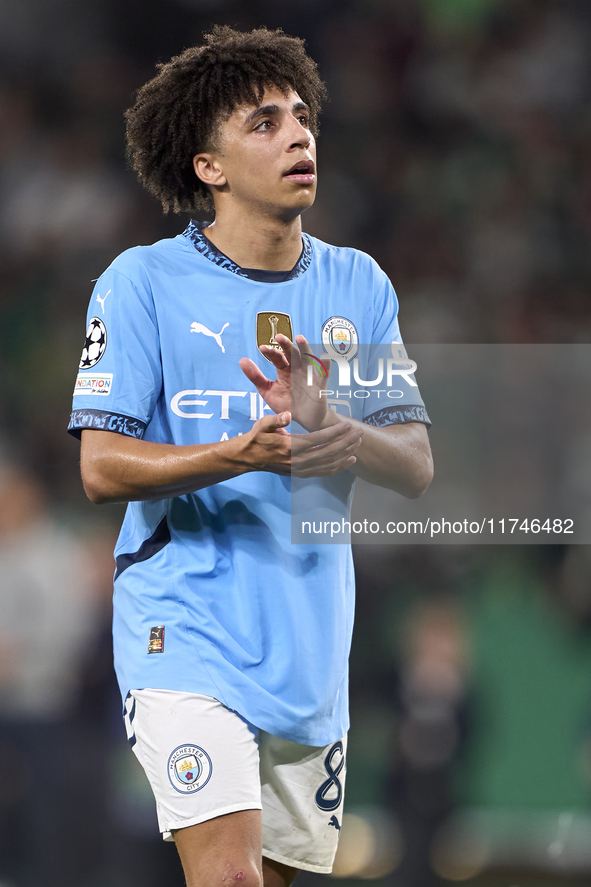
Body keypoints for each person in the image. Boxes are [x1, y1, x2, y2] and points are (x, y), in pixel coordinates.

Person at [68, 26, 433, 887]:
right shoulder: (142, 282)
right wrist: (236, 454)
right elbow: (100, 468)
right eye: (263, 123)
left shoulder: (358, 286)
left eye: (301, 116)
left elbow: (415, 462)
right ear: (209, 167)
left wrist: (345, 434)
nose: (298, 134)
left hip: (307, 637)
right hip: (181, 625)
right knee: (228, 876)